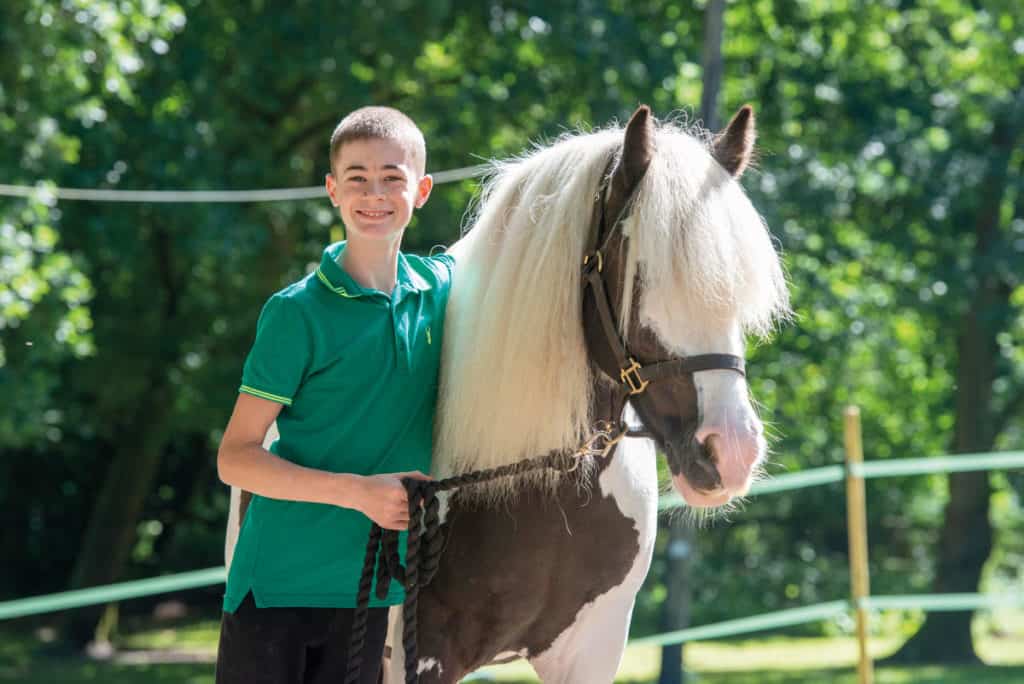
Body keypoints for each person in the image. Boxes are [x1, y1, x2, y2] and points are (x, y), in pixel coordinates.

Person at [214, 106, 453, 684]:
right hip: (275, 590)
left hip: (368, 595)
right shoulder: (296, 313)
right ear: (332, 190)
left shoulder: (442, 290)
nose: (375, 193)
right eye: (357, 178)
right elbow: (235, 458)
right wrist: (358, 494)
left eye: (393, 178)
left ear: (420, 190)